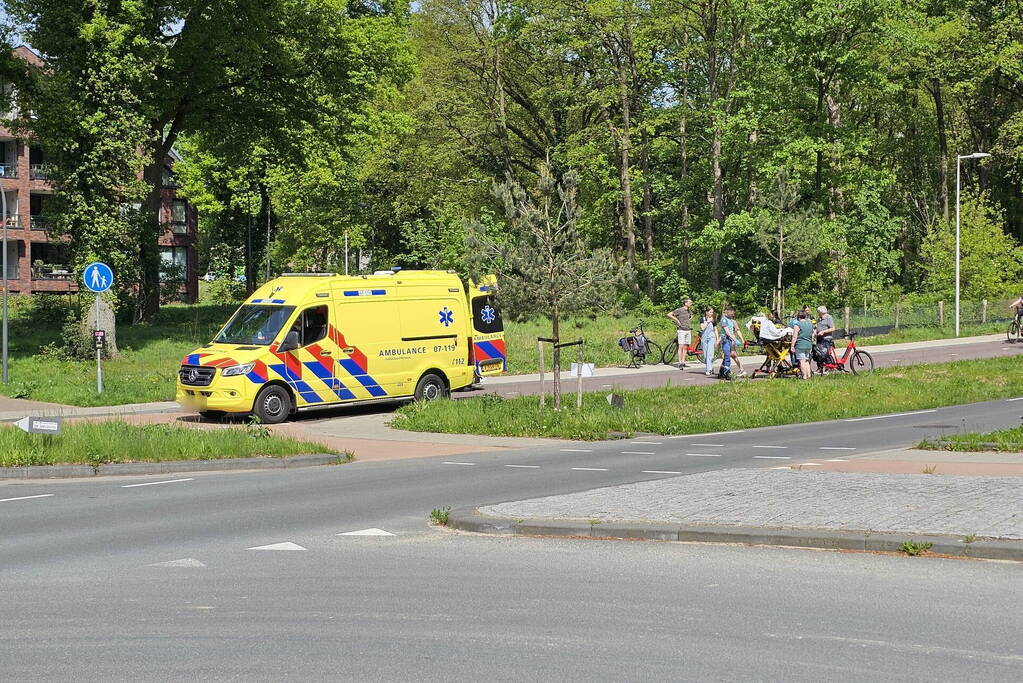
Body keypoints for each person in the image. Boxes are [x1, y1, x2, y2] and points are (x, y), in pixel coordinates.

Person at [666, 298, 694, 369]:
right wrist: (677, 320)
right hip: (681, 330)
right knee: (681, 346)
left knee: (685, 346)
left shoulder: (689, 310)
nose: (691, 304)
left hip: (688, 330)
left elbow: (692, 315)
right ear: (685, 303)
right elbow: (669, 314)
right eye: (690, 302)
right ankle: (680, 362)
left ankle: (683, 362)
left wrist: (689, 320)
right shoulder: (680, 310)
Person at [719, 306, 746, 378]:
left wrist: (742, 340)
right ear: (728, 312)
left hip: (730, 341)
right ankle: (725, 372)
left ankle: (723, 372)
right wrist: (734, 339)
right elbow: (726, 332)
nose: (733, 315)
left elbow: (737, 331)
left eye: (733, 314)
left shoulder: (732, 321)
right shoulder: (724, 320)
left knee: (729, 356)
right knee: (728, 356)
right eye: (732, 313)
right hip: (727, 340)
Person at [790, 311, 815, 380]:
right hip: (808, 344)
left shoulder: (797, 325)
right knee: (806, 361)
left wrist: (792, 346)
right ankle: (809, 375)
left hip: (800, 344)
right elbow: (813, 334)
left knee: (802, 361)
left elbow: (795, 336)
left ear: (798, 317)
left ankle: (804, 376)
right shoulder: (810, 324)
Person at [814, 305, 836, 373]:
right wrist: (815, 331)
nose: (817, 313)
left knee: (825, 353)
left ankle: (829, 367)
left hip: (826, 338)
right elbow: (817, 327)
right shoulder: (819, 319)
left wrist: (823, 332)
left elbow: (833, 328)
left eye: (818, 312)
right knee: (818, 353)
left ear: (822, 312)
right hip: (819, 338)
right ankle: (820, 368)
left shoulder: (828, 317)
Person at [699, 306, 719, 377]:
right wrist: (707, 321)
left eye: (712, 312)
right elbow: (702, 328)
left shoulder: (713, 320)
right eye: (710, 312)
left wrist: (717, 339)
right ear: (706, 312)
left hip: (711, 337)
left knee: (710, 354)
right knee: (705, 356)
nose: (711, 313)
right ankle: (710, 367)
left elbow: (715, 330)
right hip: (704, 338)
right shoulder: (702, 319)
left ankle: (708, 370)